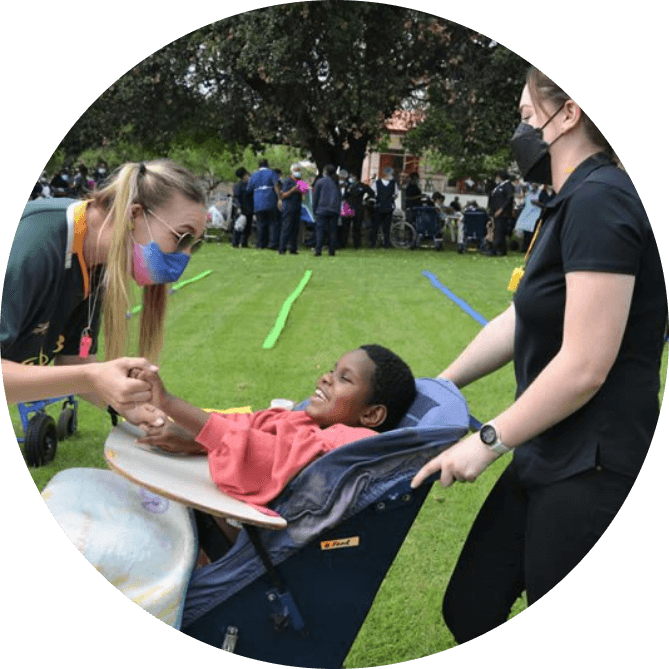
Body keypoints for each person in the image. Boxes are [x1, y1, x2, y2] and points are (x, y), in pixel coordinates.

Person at [412, 66, 666, 643]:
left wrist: (487, 442)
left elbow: (584, 366)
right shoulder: (569, 200)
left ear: (568, 114)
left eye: (528, 117)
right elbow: (521, 316)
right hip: (549, 446)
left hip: (595, 462)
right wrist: (441, 386)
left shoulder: (602, 201)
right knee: (472, 605)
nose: (522, 131)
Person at [1, 159, 207, 427]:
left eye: (196, 245)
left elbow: (72, 359)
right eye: (182, 238)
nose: (186, 255)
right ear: (134, 215)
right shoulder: (34, 246)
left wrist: (125, 405)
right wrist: (92, 376)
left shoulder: (96, 261)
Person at [133, 344, 417, 506]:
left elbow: (265, 452)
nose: (326, 378)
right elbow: (246, 424)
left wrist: (169, 403)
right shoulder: (305, 420)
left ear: (371, 416)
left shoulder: (351, 443)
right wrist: (192, 436)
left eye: (345, 378)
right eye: (332, 370)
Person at [248, 159, 282, 249]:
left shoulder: (254, 174)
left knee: (260, 223)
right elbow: (276, 186)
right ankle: (272, 243)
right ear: (268, 165)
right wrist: (279, 199)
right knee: (273, 222)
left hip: (258, 202)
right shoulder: (271, 173)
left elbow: (249, 189)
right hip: (270, 200)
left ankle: (260, 243)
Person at [312, 164, 341, 256]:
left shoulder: (320, 181)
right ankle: (331, 251)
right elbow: (339, 197)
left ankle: (318, 250)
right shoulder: (336, 182)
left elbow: (315, 197)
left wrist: (314, 209)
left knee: (320, 230)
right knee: (332, 231)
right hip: (334, 210)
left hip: (321, 209)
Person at [486, 170, 515, 256]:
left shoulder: (508, 186)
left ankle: (498, 249)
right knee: (496, 229)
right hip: (495, 211)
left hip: (503, 213)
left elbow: (509, 199)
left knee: (500, 231)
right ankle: (497, 248)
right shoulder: (498, 186)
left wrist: (501, 209)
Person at [371, 167, 399, 248]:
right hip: (380, 207)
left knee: (386, 227)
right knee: (376, 227)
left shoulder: (393, 184)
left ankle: (386, 244)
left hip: (387, 207)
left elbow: (396, 194)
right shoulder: (377, 183)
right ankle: (374, 243)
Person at [278, 164, 303, 254]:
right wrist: (292, 190)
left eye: (299, 171)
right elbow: (283, 195)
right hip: (288, 207)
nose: (298, 173)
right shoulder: (287, 181)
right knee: (286, 228)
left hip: (297, 207)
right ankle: (282, 248)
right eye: (296, 170)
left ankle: (293, 248)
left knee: (295, 229)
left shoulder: (300, 181)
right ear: (292, 171)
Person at [345, 174, 374, 249]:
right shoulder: (347, 185)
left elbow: (372, 193)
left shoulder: (362, 186)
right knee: (346, 226)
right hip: (348, 207)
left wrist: (366, 200)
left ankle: (357, 244)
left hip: (358, 207)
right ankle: (344, 243)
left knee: (357, 226)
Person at [231, 167, 253, 248]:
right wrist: (239, 208)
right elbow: (237, 197)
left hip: (245, 208)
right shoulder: (243, 185)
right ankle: (238, 242)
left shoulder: (239, 185)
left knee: (245, 226)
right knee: (240, 226)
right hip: (244, 208)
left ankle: (240, 242)